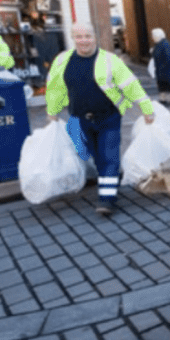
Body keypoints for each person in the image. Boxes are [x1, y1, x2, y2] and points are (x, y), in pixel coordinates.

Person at [46, 22, 155, 216]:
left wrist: (146, 108)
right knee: (96, 158)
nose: (84, 41)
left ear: (95, 37)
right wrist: (52, 111)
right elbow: (55, 88)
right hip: (79, 120)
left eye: (87, 36)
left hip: (108, 118)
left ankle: (107, 199)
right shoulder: (62, 60)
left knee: (109, 157)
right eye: (79, 37)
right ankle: (107, 184)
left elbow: (131, 85)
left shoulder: (110, 60)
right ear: (73, 39)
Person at [150, 27, 170, 106]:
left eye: (153, 36)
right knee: (162, 85)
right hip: (162, 69)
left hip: (167, 69)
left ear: (158, 36)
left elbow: (168, 57)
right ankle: (163, 99)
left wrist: (164, 66)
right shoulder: (159, 44)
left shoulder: (165, 44)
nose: (152, 37)